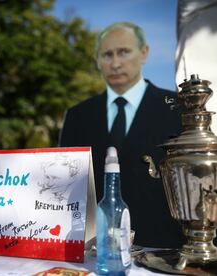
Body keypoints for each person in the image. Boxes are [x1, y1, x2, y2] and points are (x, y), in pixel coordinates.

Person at [59, 22, 186, 249]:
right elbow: (66, 188)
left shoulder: (179, 108)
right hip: (91, 253)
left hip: (165, 252)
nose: (115, 63)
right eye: (107, 55)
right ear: (97, 60)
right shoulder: (77, 115)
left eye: (124, 52)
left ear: (144, 52)